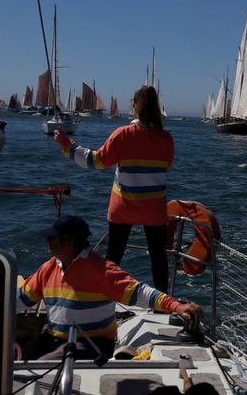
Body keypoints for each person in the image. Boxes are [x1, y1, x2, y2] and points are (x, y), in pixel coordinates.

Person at [17, 215, 203, 361]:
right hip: (53, 338)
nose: (47, 241)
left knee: (45, 364)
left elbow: (139, 293)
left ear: (69, 243)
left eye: (52, 238)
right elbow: (23, 298)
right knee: (21, 359)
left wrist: (176, 306)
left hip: (90, 344)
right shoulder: (48, 268)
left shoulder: (101, 270)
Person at [54, 85, 174, 291]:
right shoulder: (166, 139)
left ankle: (105, 298)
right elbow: (167, 165)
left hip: (123, 207)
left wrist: (68, 145)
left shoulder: (123, 134)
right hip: (154, 209)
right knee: (158, 257)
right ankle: (163, 302)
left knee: (115, 254)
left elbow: (96, 161)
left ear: (135, 106)